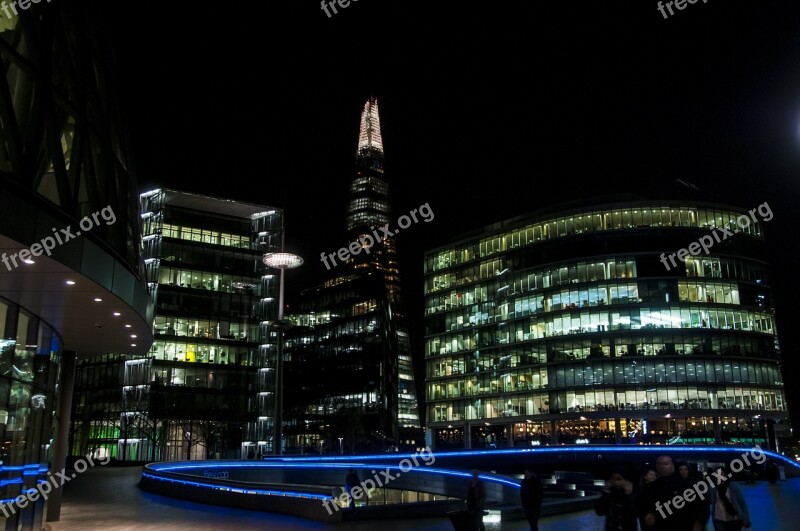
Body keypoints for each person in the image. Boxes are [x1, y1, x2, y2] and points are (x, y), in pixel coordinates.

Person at [641, 455, 709, 531]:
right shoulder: (650, 488)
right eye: (660, 464)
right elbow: (644, 508)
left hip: (685, 526)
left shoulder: (688, 484)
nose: (662, 467)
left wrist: (698, 524)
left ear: (673, 466)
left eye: (666, 464)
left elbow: (701, 506)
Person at [709, 466, 751, 531]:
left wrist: (745, 518)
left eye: (721, 474)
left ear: (725, 475)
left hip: (735, 519)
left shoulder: (732, 486)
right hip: (719, 520)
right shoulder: (712, 488)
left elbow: (741, 503)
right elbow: (709, 501)